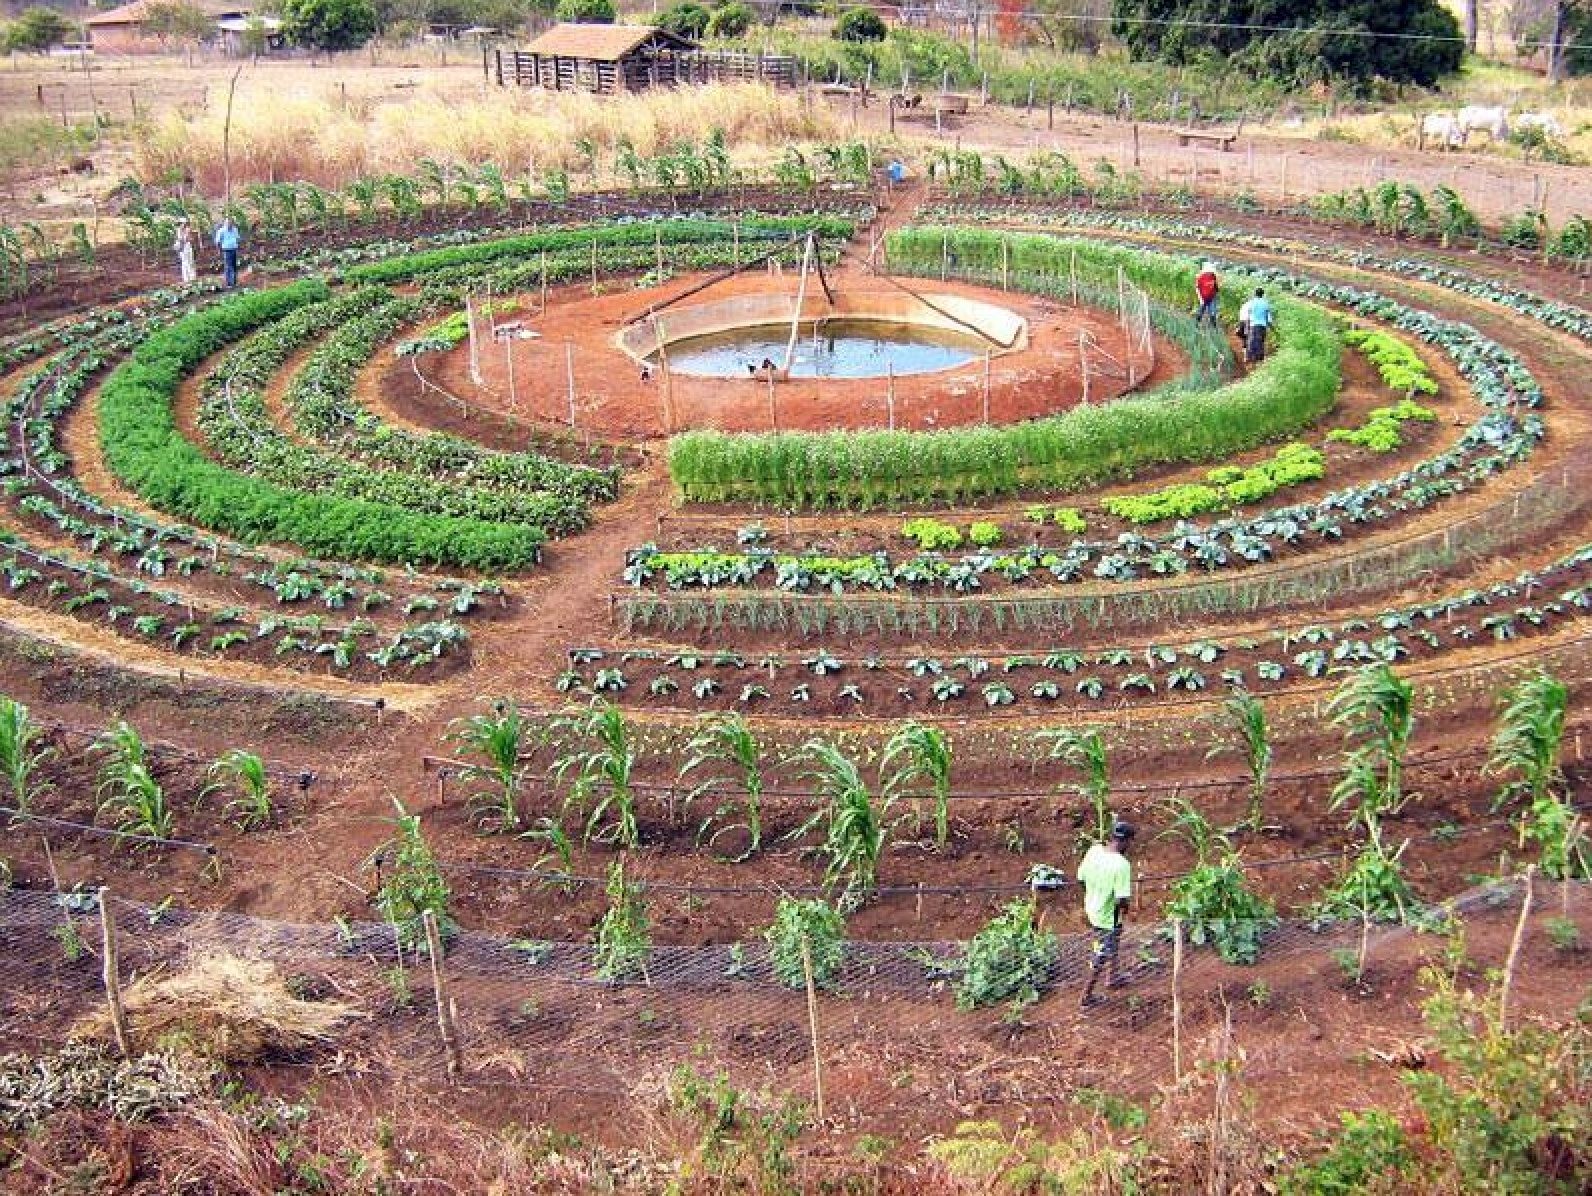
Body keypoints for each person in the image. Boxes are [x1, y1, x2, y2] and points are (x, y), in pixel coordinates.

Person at [1078, 820, 1134, 1009]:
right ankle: (1086, 996)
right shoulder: (1122, 865)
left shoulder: (1093, 851)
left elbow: (1081, 879)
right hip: (1106, 916)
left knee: (1114, 940)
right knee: (1101, 953)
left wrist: (1094, 894)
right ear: (1126, 841)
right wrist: (1126, 909)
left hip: (1092, 908)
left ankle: (1113, 977)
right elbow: (1121, 899)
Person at [1239, 287, 1272, 365]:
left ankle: (1249, 360)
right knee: (1261, 342)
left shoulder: (1252, 303)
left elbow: (1248, 316)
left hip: (1253, 325)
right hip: (1263, 326)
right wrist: (1271, 327)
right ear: (1263, 294)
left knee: (1251, 342)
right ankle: (1260, 360)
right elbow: (1268, 317)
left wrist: (1246, 328)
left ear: (1255, 294)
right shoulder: (1266, 303)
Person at [214, 217, 242, 288]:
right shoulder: (221, 231)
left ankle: (235, 282)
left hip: (234, 249)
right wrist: (219, 251)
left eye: (230, 223)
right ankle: (229, 283)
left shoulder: (235, 229)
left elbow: (238, 238)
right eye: (228, 223)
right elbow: (217, 242)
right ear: (225, 223)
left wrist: (238, 246)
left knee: (234, 266)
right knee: (228, 267)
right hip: (226, 250)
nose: (229, 224)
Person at [1194, 262, 1219, 328]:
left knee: (1213, 312)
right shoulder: (1200, 278)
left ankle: (1213, 327)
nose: (1210, 273)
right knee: (1201, 311)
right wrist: (1200, 299)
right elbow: (1197, 288)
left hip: (1212, 297)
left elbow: (1216, 288)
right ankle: (1196, 324)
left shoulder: (1213, 276)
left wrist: (1215, 295)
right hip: (1203, 297)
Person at [172, 218, 197, 285]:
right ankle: (186, 279)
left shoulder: (188, 230)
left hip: (187, 247)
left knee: (190, 262)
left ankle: (192, 278)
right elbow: (180, 239)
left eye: (183, 223)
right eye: (181, 224)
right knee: (185, 263)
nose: (182, 225)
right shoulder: (178, 231)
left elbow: (191, 239)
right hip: (183, 248)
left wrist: (187, 236)